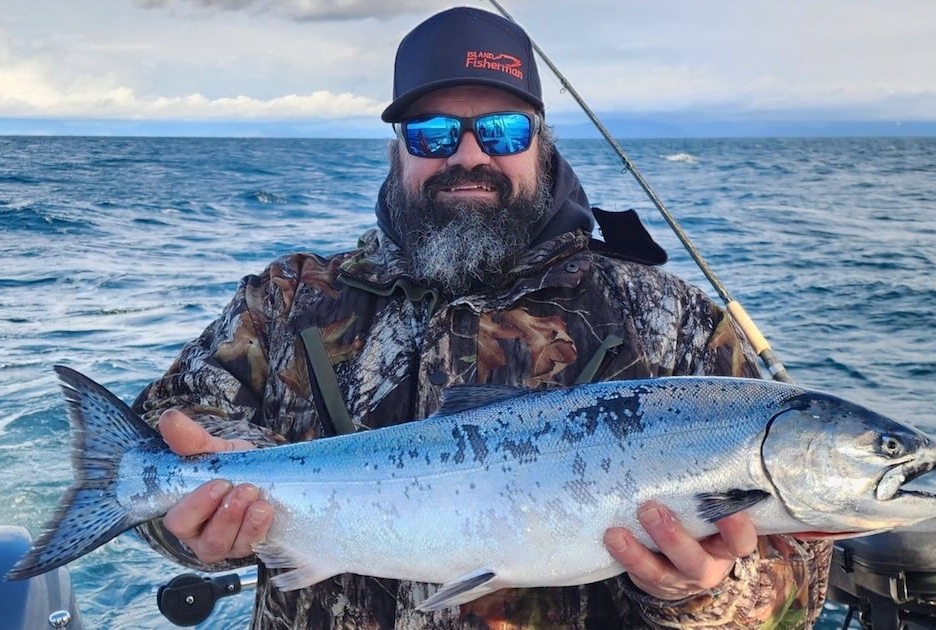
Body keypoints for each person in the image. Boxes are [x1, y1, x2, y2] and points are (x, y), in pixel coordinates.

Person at [131, 6, 831, 629]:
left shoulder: (670, 321)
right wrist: (193, 517)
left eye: (501, 129)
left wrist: (702, 593)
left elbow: (801, 586)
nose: (469, 155)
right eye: (433, 133)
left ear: (541, 143)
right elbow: (150, 455)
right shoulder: (288, 300)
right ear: (397, 149)